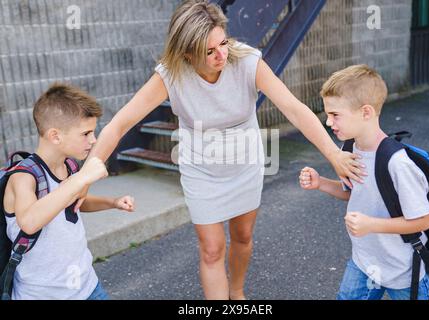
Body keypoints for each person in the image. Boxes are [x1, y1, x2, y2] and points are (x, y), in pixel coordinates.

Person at [82, 0, 363, 300]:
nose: (221, 55)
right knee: (212, 249)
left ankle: (237, 291)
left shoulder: (247, 62)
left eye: (223, 43)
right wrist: (82, 179)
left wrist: (333, 154)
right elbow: (119, 124)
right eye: (209, 51)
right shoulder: (170, 75)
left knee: (242, 237)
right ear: (187, 54)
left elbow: (294, 109)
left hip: (245, 164)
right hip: (200, 169)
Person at [299, 64, 429, 300]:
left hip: (404, 271)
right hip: (364, 262)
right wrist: (320, 182)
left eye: (335, 115)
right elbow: (354, 193)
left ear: (366, 112)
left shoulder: (398, 164)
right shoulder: (349, 149)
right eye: (327, 115)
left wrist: (371, 224)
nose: (329, 122)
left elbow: (423, 220)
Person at [2, 83, 135, 300]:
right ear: (55, 136)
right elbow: (29, 221)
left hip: (88, 286)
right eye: (86, 133)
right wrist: (82, 178)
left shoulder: (70, 166)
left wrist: (112, 202)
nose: (93, 140)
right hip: (41, 295)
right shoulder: (24, 177)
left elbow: (74, 203)